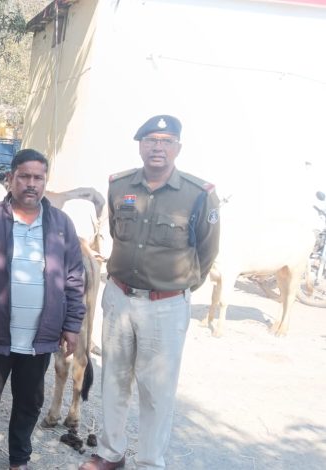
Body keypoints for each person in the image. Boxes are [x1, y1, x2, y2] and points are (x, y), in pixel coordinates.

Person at [79, 115, 220, 470]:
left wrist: (177, 288)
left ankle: (149, 462)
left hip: (165, 305)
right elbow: (116, 232)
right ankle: (111, 452)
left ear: (178, 148)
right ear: (141, 146)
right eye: (151, 140)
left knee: (157, 391)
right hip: (119, 297)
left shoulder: (198, 194)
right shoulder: (119, 185)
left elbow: (207, 251)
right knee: (114, 380)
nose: (158, 147)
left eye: (166, 141)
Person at [0, 149, 87, 470]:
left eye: (38, 177)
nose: (31, 184)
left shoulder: (61, 226)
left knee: (29, 402)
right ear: (10, 179)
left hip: (40, 337)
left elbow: (74, 278)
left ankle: (19, 460)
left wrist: (72, 325)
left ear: (45, 181)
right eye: (24, 176)